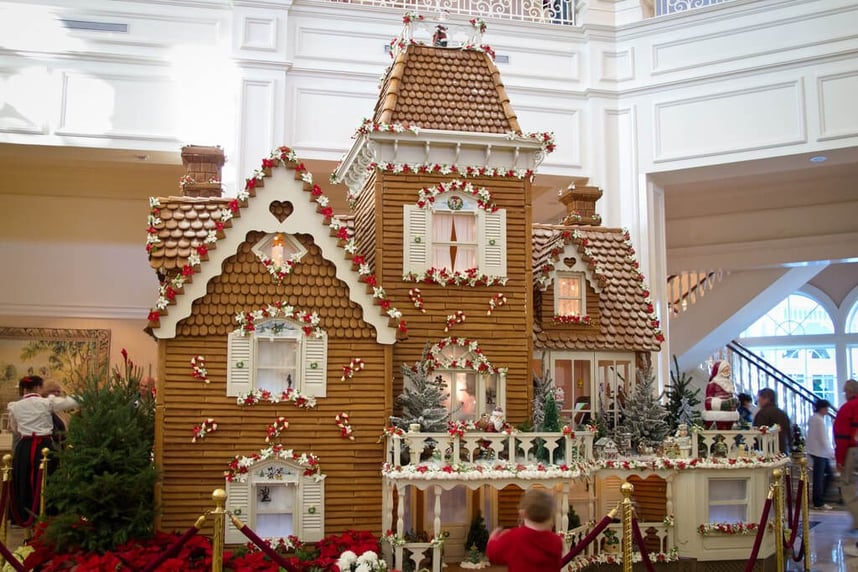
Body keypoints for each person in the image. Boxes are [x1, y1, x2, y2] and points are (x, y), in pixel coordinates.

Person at [7, 375, 77, 527]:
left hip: (24, 447)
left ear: (24, 389)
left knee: (24, 478)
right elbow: (71, 401)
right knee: (47, 477)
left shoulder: (15, 406)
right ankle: (47, 513)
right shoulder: (46, 403)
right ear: (39, 388)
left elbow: (15, 428)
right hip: (44, 447)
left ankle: (23, 515)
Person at [486, 487, 562, 572]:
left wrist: (492, 538)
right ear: (550, 514)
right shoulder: (556, 541)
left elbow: (493, 554)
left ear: (523, 513)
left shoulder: (514, 537)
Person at [835, 379, 858, 529]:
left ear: (849, 392)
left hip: (852, 450)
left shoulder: (847, 408)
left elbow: (842, 436)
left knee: (847, 484)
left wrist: (840, 460)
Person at [806, 398, 834, 510]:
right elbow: (823, 438)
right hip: (819, 453)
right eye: (826, 408)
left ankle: (819, 499)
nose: (827, 411)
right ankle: (818, 502)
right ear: (822, 408)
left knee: (824, 476)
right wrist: (831, 452)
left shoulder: (814, 419)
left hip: (816, 452)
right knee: (820, 478)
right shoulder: (819, 421)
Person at [702, 360, 739, 430]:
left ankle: (728, 405)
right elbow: (708, 399)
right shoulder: (712, 384)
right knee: (709, 403)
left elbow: (731, 395)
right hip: (717, 403)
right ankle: (724, 405)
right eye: (725, 371)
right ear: (720, 371)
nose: (728, 373)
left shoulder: (729, 384)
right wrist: (721, 403)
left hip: (729, 406)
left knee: (734, 401)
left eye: (728, 371)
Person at [753, 387, 792, 454]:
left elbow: (758, 433)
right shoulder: (782, 413)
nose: (758, 401)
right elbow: (789, 433)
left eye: (759, 398)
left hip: (766, 451)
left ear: (766, 399)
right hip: (782, 449)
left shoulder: (762, 413)